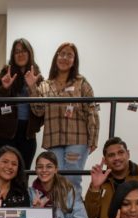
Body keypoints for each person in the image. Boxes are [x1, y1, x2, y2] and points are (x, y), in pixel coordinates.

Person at [30, 42, 99, 194]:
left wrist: (93, 139)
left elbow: (92, 111)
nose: (65, 58)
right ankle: (58, 216)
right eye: (62, 54)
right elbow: (38, 111)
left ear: (74, 60)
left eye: (69, 55)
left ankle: (76, 216)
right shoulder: (45, 85)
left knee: (72, 179)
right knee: (55, 179)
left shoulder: (82, 83)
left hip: (77, 139)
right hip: (53, 139)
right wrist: (32, 88)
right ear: (56, 57)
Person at [0, 38, 43, 171]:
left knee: (23, 175)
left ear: (30, 53)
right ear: (12, 55)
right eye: (16, 52)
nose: (20, 54)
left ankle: (19, 194)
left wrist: (32, 86)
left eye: (23, 51)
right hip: (5, 133)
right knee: (3, 173)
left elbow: (42, 109)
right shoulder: (5, 72)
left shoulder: (38, 76)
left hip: (28, 134)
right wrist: (5, 88)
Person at [30, 150, 89, 218]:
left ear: (56, 169)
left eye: (49, 166)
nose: (44, 170)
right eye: (40, 167)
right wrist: (36, 212)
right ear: (36, 170)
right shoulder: (30, 193)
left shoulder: (68, 190)